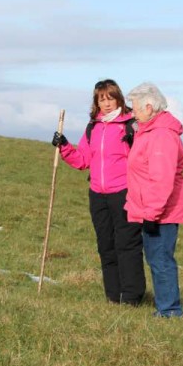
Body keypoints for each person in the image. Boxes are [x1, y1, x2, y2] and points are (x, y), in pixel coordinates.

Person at [51, 79, 146, 306]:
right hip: (98, 194)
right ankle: (113, 296)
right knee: (106, 245)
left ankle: (132, 297)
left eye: (110, 98)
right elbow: (83, 160)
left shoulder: (131, 124)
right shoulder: (92, 127)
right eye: (101, 99)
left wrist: (135, 141)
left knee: (127, 244)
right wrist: (64, 145)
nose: (106, 103)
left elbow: (144, 157)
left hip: (124, 192)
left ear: (119, 99)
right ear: (96, 102)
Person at [124, 82, 183, 318]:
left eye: (135, 108)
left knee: (161, 259)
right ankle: (166, 307)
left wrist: (151, 214)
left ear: (149, 107)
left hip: (161, 212)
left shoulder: (161, 136)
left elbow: (161, 179)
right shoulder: (149, 132)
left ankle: (170, 310)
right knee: (156, 258)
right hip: (152, 209)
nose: (132, 113)